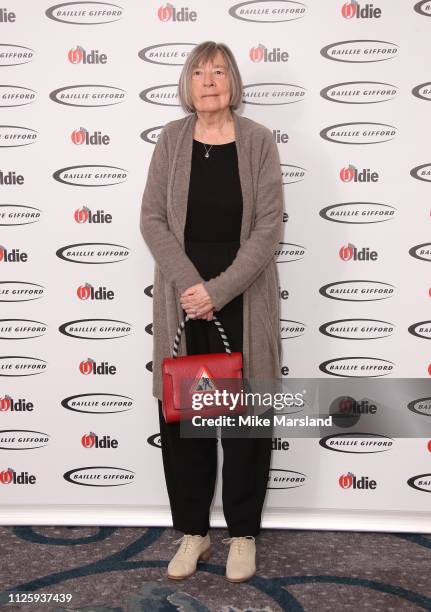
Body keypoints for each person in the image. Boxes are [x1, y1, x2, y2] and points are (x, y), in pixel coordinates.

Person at [140, 41, 284, 583]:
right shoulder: (171, 141)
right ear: (187, 83)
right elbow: (152, 219)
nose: (209, 80)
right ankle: (194, 533)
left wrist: (217, 291)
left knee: (246, 422)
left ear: (233, 81)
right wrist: (191, 286)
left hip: (244, 302)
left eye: (219, 71)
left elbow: (270, 227)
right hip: (183, 306)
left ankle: (242, 534)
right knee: (185, 422)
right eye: (199, 72)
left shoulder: (259, 142)